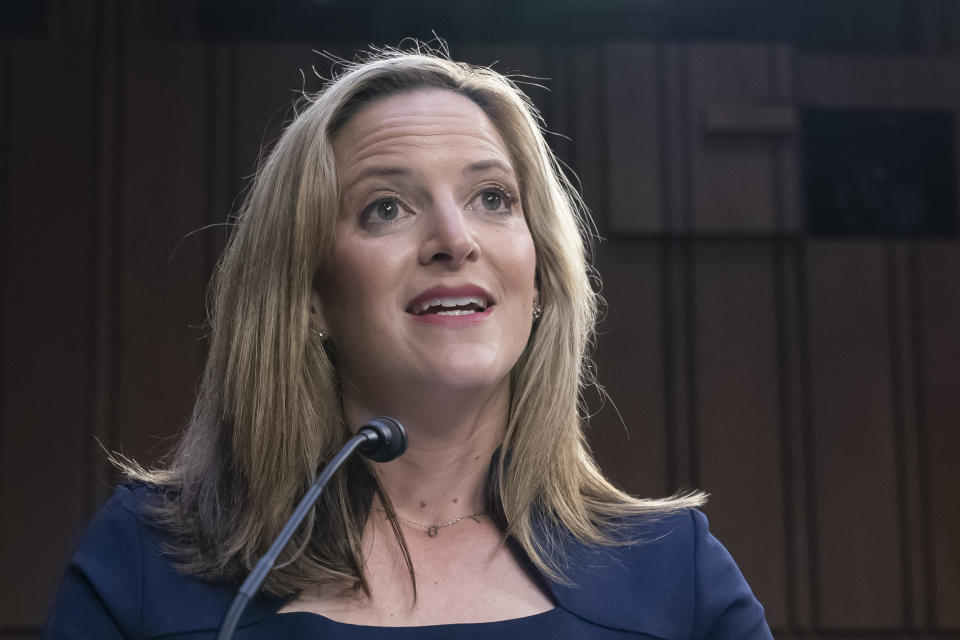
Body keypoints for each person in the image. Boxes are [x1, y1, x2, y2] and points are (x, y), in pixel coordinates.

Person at [45, 45, 773, 639]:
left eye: (493, 198)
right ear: (308, 298)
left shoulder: (677, 577)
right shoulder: (147, 563)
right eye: (385, 208)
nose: (454, 241)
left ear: (542, 274)